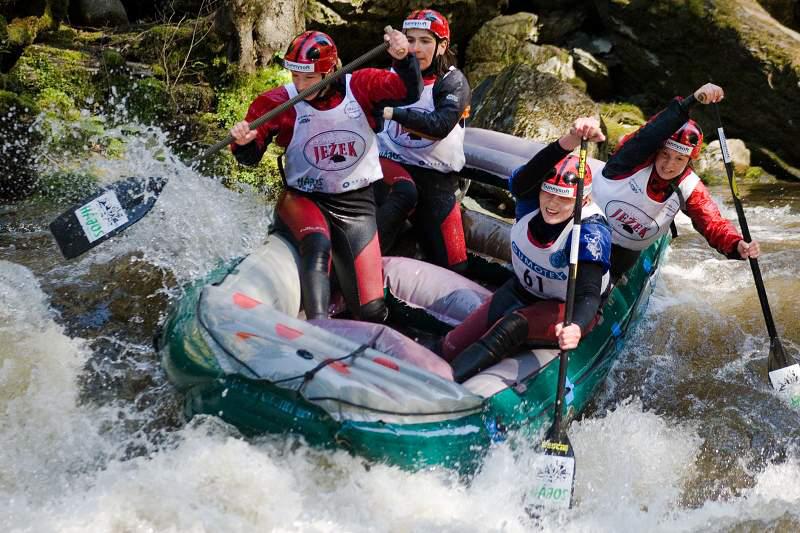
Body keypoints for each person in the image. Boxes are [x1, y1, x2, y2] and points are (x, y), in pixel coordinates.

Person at [229, 29, 422, 322]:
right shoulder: (277, 102)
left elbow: (408, 92)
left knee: (370, 310)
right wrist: (243, 144)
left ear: (330, 71)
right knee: (318, 245)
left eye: (308, 78)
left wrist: (404, 58)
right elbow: (250, 158)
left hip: (356, 204)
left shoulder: (362, 85)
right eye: (295, 76)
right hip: (304, 199)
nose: (300, 85)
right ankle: (318, 326)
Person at [441, 118, 611, 383]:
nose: (552, 204)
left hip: (566, 307)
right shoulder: (530, 202)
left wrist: (576, 326)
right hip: (521, 289)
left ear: (584, 199)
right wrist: (570, 141)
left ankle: (447, 386)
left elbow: (589, 293)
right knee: (453, 343)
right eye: (548, 193)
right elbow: (527, 177)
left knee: (511, 327)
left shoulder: (590, 233)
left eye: (564, 198)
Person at [592, 83, 760, 280]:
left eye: (679, 158)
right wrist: (692, 101)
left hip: (624, 252)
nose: (669, 165)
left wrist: (736, 244)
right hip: (587, 232)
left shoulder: (689, 187)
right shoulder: (632, 159)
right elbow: (652, 131)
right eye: (665, 154)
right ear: (657, 150)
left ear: (689, 161)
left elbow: (712, 222)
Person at [374, 9, 472, 272]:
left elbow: (439, 126)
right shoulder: (388, 75)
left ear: (442, 47)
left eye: (425, 41)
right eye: (411, 40)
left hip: (435, 179)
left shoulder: (453, 83)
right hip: (390, 168)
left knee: (456, 266)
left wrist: (391, 112)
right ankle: (360, 262)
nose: (416, 49)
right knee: (403, 194)